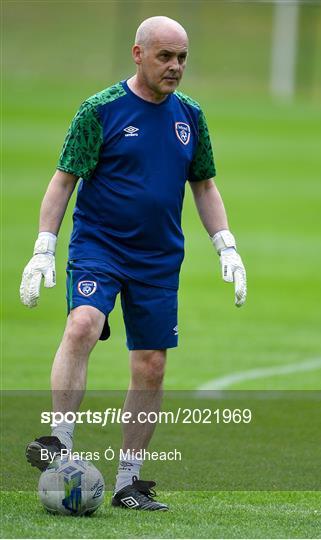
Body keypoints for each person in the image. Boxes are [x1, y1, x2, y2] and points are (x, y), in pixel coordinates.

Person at [20, 15, 247, 511]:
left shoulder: (191, 115)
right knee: (82, 325)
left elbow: (204, 185)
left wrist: (225, 244)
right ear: (138, 54)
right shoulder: (99, 110)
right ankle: (61, 447)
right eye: (165, 56)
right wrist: (43, 246)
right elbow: (64, 181)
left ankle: (127, 483)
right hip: (99, 247)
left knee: (151, 366)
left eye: (183, 57)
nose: (176, 67)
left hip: (159, 259)